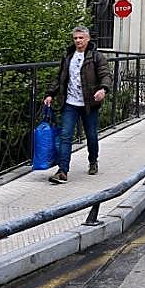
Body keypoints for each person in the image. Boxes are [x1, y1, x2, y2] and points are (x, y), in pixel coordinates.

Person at [43, 25, 113, 183]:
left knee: (91, 135)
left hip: (89, 103)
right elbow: (60, 77)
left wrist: (103, 89)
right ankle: (62, 171)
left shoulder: (96, 57)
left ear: (88, 39)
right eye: (75, 38)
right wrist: (50, 94)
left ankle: (93, 161)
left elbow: (105, 74)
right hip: (70, 103)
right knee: (65, 135)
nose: (78, 41)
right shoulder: (68, 56)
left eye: (81, 38)